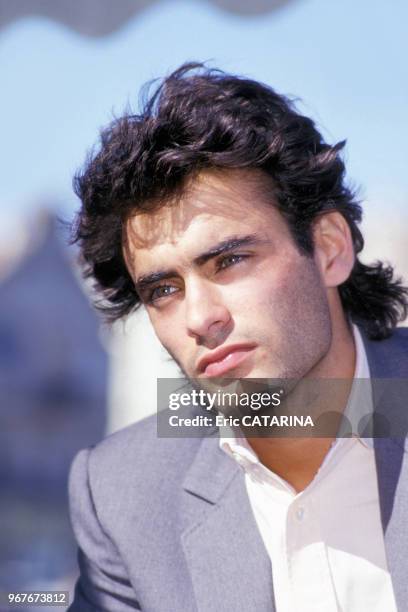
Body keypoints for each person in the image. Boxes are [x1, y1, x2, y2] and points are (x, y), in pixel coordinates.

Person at [67, 63, 408, 612]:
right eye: (163, 290)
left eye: (230, 260)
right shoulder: (122, 496)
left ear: (329, 249)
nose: (200, 318)